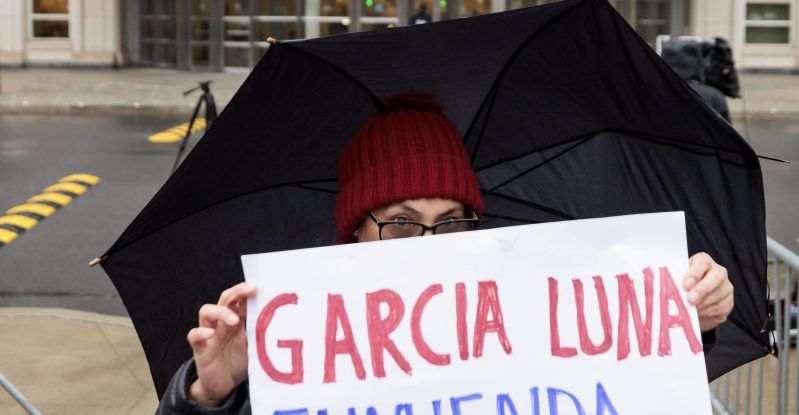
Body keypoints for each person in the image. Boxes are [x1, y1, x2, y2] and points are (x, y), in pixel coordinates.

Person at [157, 94, 735, 414]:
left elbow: (624, 386)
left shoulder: (521, 311)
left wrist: (686, 314)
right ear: (356, 231)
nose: (430, 245)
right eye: (403, 222)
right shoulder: (296, 340)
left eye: (451, 222)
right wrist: (212, 393)